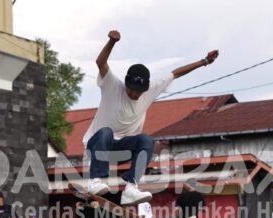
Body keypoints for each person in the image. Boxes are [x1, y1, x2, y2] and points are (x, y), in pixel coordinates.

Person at [82, 30, 219, 205]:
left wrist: (204, 61)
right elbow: (100, 62)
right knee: (106, 132)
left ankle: (131, 188)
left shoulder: (151, 88)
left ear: (146, 88)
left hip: (123, 150)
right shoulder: (112, 84)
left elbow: (175, 73)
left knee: (147, 140)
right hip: (98, 147)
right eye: (131, 89)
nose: (134, 94)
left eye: (139, 91)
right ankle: (95, 180)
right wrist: (111, 42)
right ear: (126, 83)